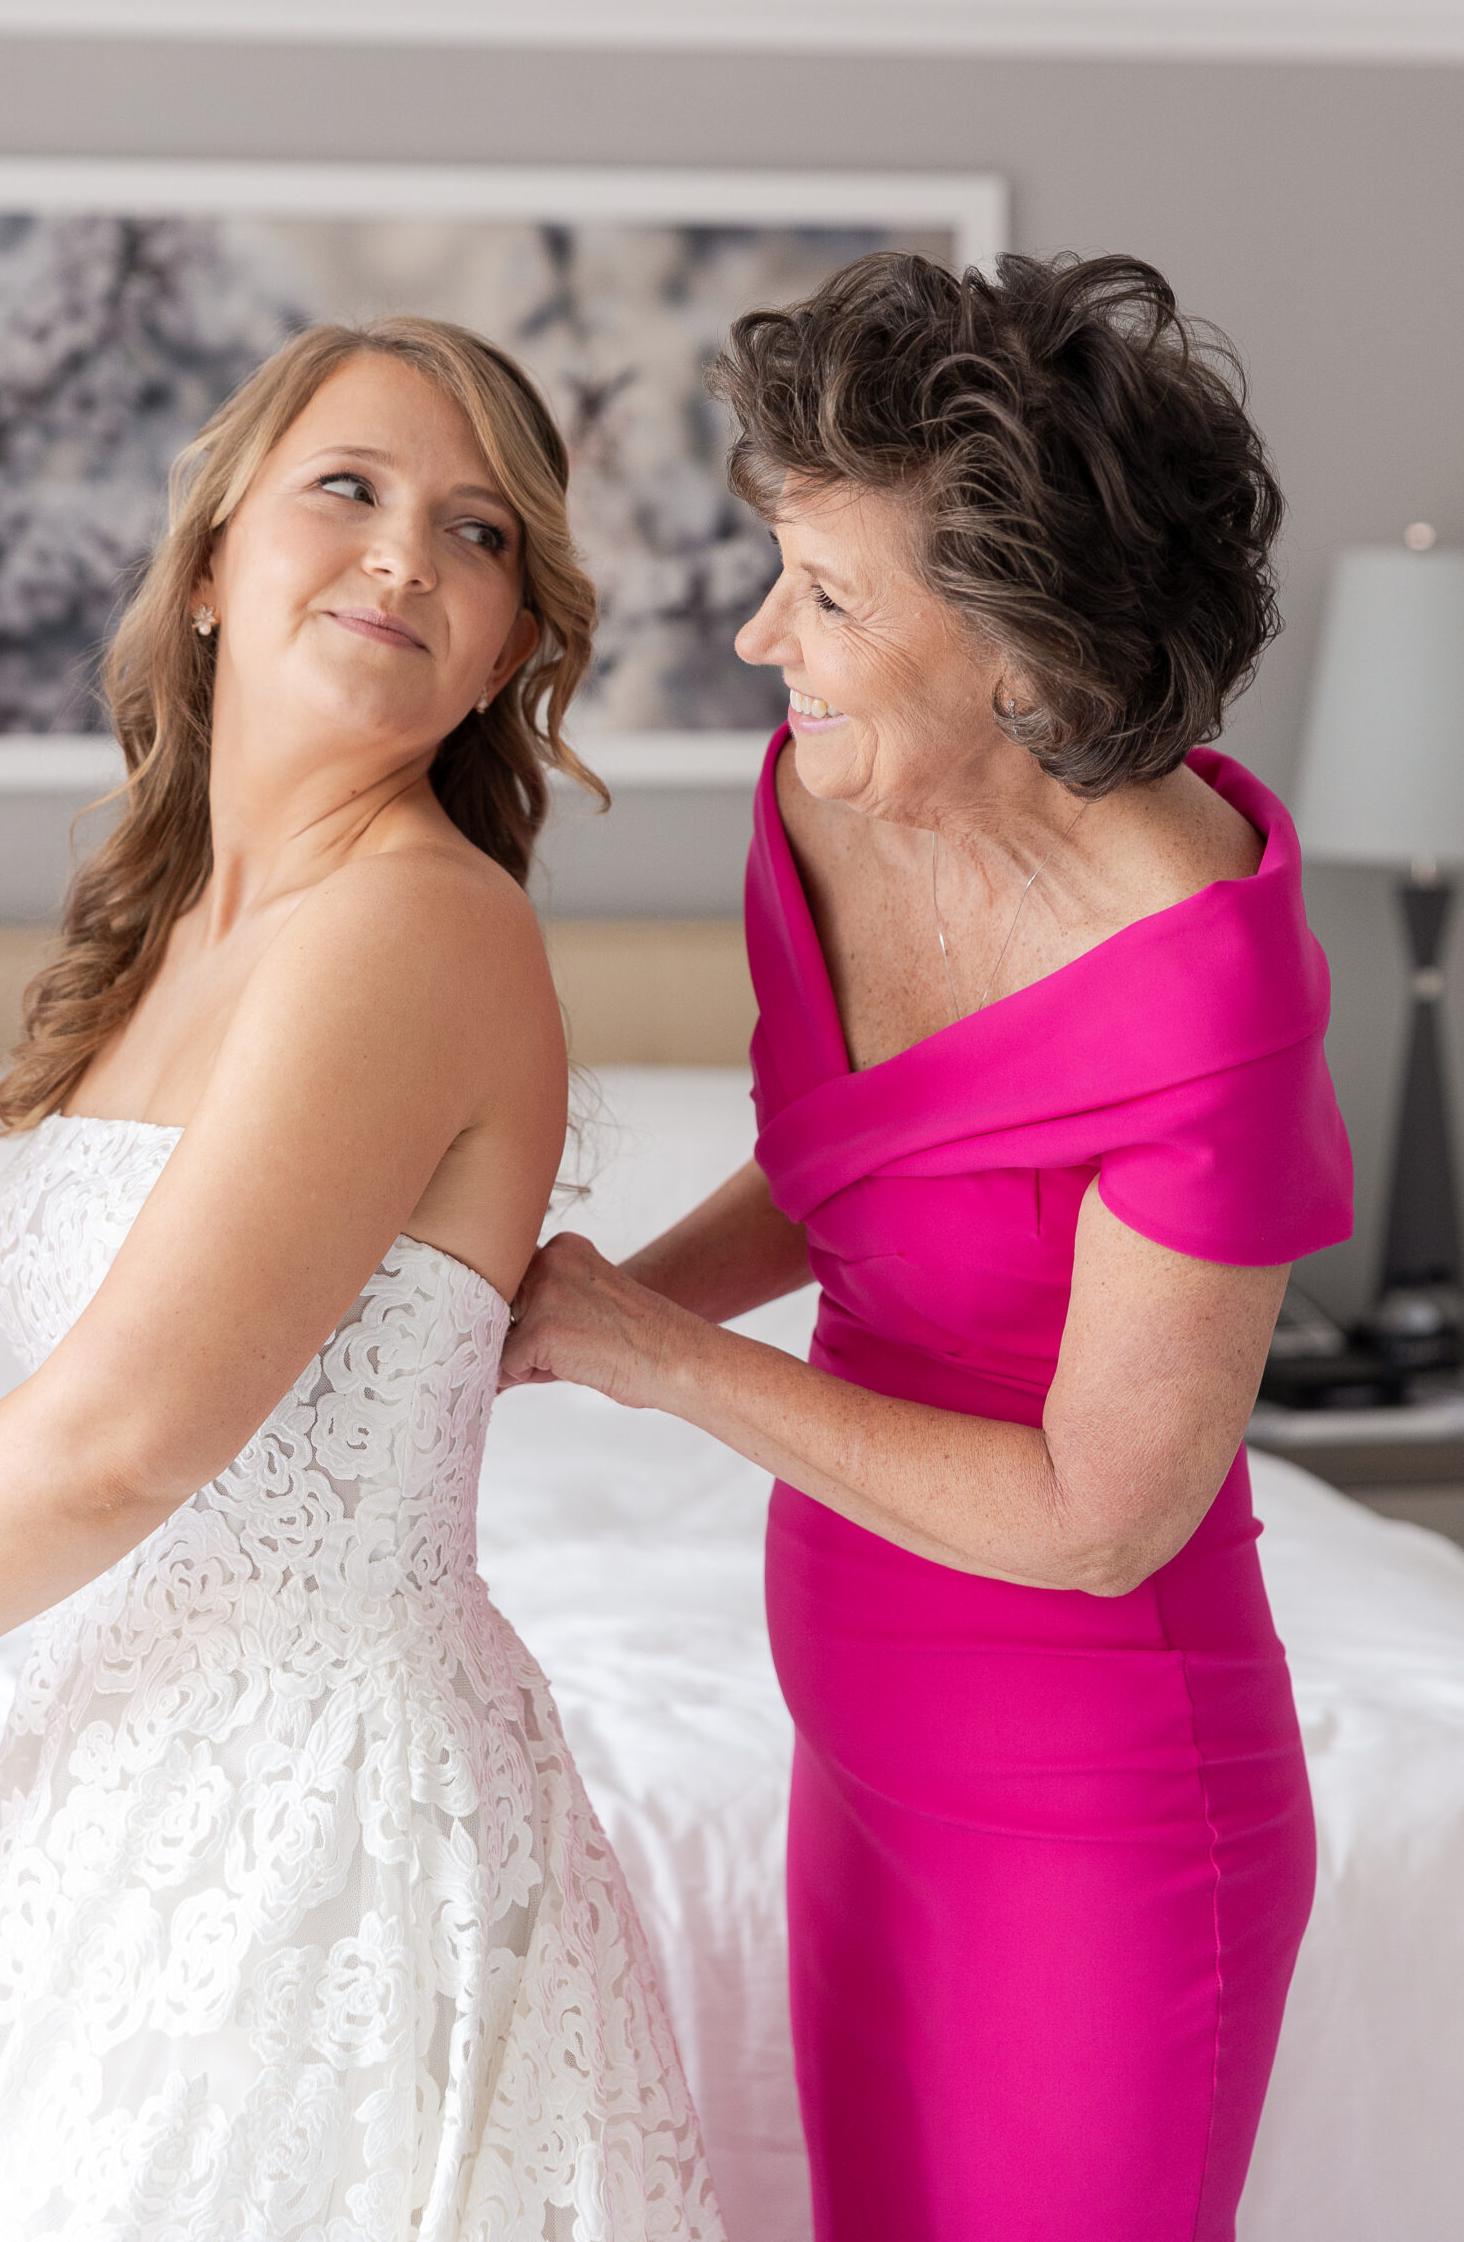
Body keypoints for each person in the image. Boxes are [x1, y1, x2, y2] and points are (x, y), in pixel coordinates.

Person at [0, 319, 724, 2242]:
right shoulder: (175, 935)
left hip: (319, 1839)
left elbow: (123, 1437)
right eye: (346, 489)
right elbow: (111, 1421)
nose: (404, 557)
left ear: (510, 646)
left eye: (477, 534)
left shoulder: (415, 926)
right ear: (207, 564)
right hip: (124, 1791)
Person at [503, 253, 1352, 2242]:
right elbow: (854, 1174)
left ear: (1021, 654)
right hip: (863, 1742)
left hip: (1101, 1803)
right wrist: (544, 1317)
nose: (757, 635)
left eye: (826, 594)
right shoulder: (829, 799)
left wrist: (656, 1354)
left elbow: (1095, 1518)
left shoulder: (1205, 988)